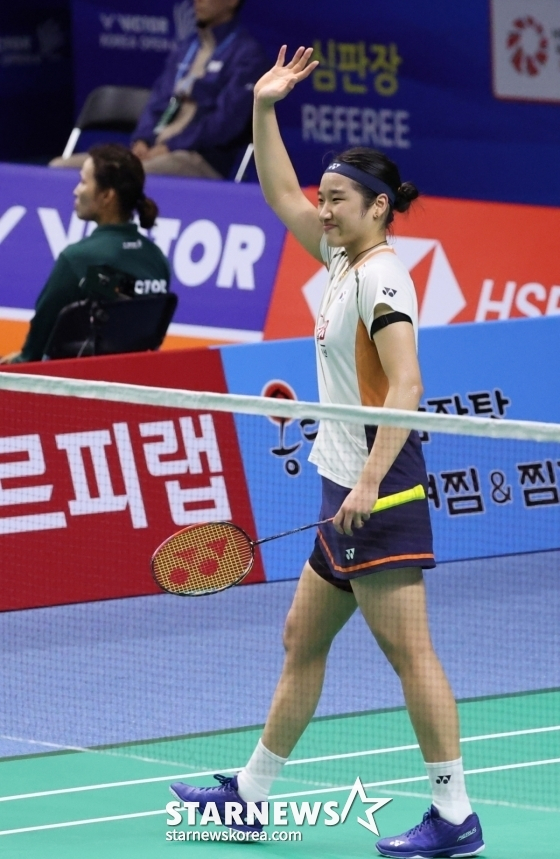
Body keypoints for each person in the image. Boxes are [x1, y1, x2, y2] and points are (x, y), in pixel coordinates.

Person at [169, 47, 485, 859]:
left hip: (377, 488)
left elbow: (408, 383)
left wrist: (370, 482)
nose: (323, 208)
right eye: (326, 197)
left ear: (379, 207)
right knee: (300, 639)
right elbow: (279, 193)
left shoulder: (383, 279)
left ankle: (454, 814)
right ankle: (250, 795)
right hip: (340, 485)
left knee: (409, 653)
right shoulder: (342, 259)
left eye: (338, 199)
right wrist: (263, 106)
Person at [50, 0, 268, 179]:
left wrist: (171, 146)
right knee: (61, 169)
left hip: (200, 159)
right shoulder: (186, 48)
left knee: (126, 177)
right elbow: (158, 100)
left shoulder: (247, 56)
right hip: (154, 153)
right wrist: (143, 140)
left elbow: (225, 123)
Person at [0, 143, 170, 364]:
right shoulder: (157, 260)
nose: (76, 190)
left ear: (107, 195)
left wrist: (18, 360)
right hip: (131, 375)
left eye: (83, 182)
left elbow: (35, 349)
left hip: (76, 379)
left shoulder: (77, 260)